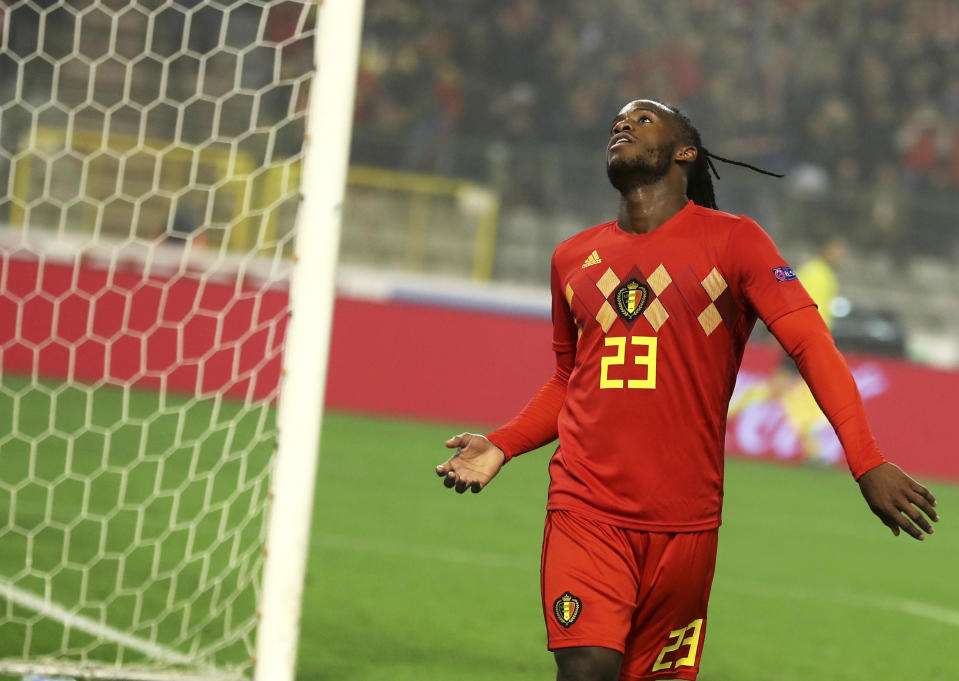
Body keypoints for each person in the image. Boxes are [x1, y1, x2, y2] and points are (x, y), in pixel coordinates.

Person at [434, 99, 939, 681]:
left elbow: (812, 346)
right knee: (586, 669)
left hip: (686, 528)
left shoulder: (736, 244)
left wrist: (866, 460)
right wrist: (503, 443)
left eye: (643, 119)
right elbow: (570, 381)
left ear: (685, 151)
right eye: (617, 121)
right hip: (585, 509)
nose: (622, 124)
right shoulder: (572, 259)